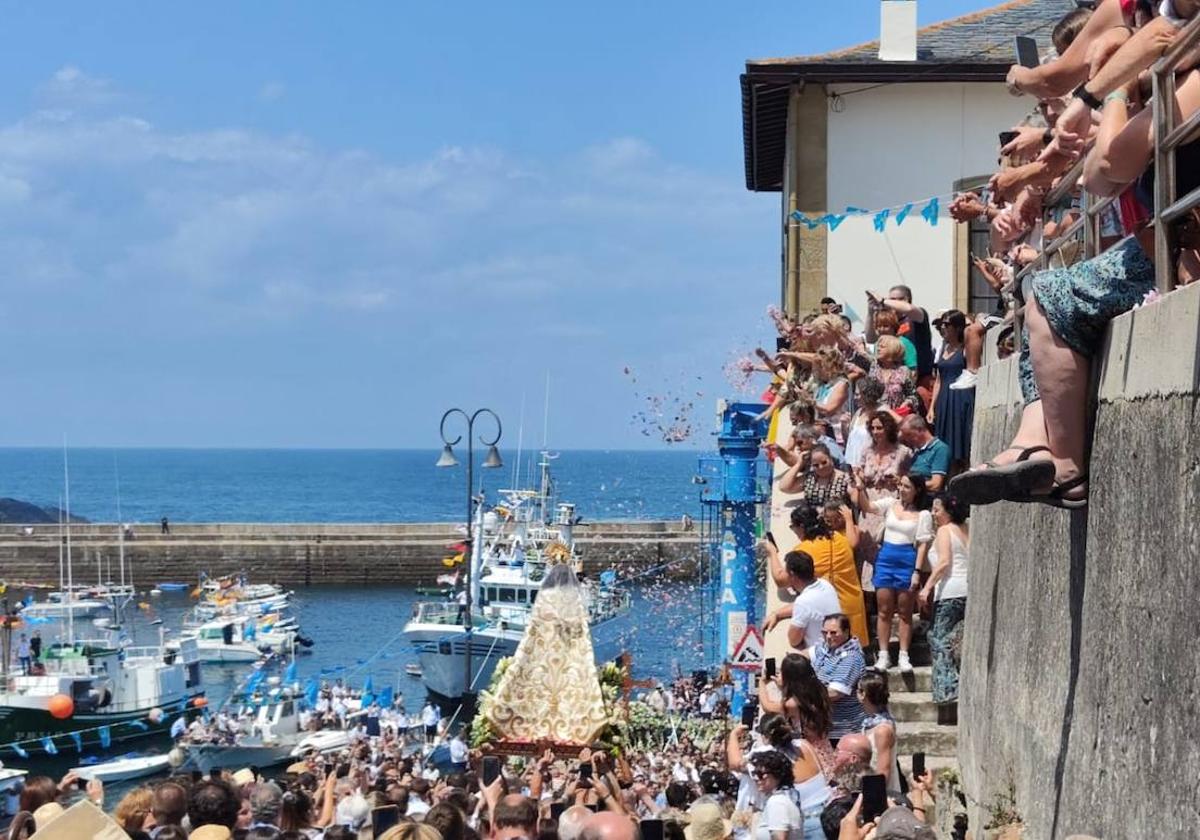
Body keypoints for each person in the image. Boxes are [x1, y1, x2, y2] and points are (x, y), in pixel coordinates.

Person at [853, 473, 933, 673]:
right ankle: (883, 654)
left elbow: (922, 544)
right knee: (884, 610)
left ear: (917, 490)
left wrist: (916, 571)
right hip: (886, 559)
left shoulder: (923, 514)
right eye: (901, 485)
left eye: (907, 487)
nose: (902, 490)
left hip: (906, 560)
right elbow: (868, 507)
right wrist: (861, 488)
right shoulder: (891, 504)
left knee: (905, 612)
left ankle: (904, 655)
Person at [785, 505, 868, 647]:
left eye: (793, 527)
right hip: (852, 605)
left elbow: (782, 580)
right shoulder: (841, 539)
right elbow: (854, 541)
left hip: (830, 614)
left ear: (802, 526)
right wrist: (848, 519)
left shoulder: (803, 549)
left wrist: (771, 554)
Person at [919, 494, 971, 709]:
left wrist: (927, 587)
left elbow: (944, 562)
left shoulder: (944, 530)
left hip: (949, 592)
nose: (933, 513)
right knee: (951, 638)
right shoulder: (966, 528)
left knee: (938, 638)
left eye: (937, 509)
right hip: (966, 590)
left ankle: (949, 687)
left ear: (948, 511)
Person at [762, 552, 841, 651]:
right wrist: (777, 613)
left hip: (821, 658)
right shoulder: (826, 585)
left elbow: (794, 640)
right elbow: (806, 607)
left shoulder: (803, 601)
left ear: (792, 575)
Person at [927, 310, 975, 470]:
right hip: (944, 400)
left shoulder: (965, 349)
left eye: (946, 324)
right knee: (945, 443)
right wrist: (932, 407)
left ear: (957, 327)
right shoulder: (943, 350)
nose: (943, 328)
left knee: (962, 441)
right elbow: (939, 380)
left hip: (961, 398)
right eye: (942, 324)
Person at [811, 615, 867, 742]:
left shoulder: (852, 658)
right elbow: (804, 655)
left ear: (846, 632)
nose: (829, 637)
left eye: (833, 633)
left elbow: (834, 693)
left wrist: (802, 693)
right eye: (825, 633)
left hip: (844, 731)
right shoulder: (827, 648)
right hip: (826, 728)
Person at [749, 750, 810, 840]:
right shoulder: (785, 799)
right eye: (754, 774)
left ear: (777, 775)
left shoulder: (777, 802)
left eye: (760, 774)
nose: (756, 778)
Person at [856, 673, 899, 792]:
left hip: (881, 792)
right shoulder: (869, 722)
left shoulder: (882, 729)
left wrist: (875, 796)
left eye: (858, 690)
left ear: (863, 694)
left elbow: (883, 771)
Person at [778, 445, 851, 507]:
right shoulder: (810, 478)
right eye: (816, 465)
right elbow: (784, 487)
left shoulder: (844, 479)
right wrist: (799, 464)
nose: (821, 467)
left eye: (824, 462)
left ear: (830, 459)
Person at [898, 416, 950, 493]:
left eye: (909, 435)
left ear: (920, 430)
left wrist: (911, 486)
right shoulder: (916, 452)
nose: (907, 439)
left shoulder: (940, 449)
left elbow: (936, 484)